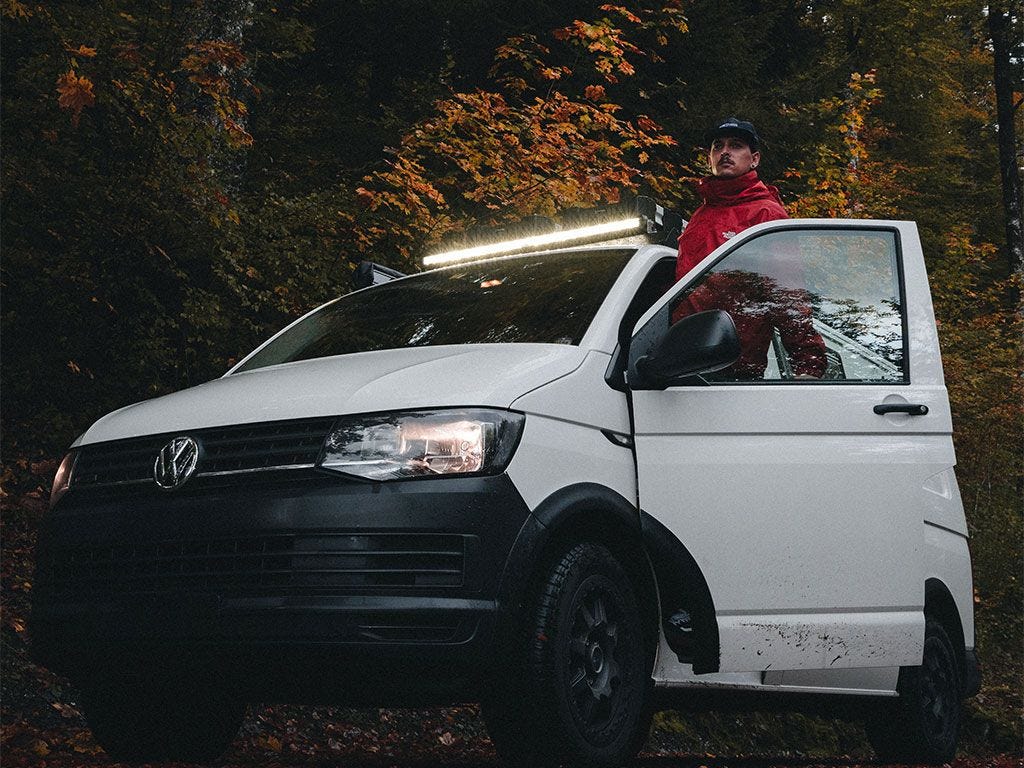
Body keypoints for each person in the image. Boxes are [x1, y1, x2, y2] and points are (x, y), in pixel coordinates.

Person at [674, 118, 826, 379]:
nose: (724, 152)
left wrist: (808, 363)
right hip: (682, 361)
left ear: (754, 159)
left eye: (735, 146)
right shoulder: (701, 215)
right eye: (717, 146)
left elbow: (786, 292)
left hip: (731, 368)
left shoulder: (767, 214)